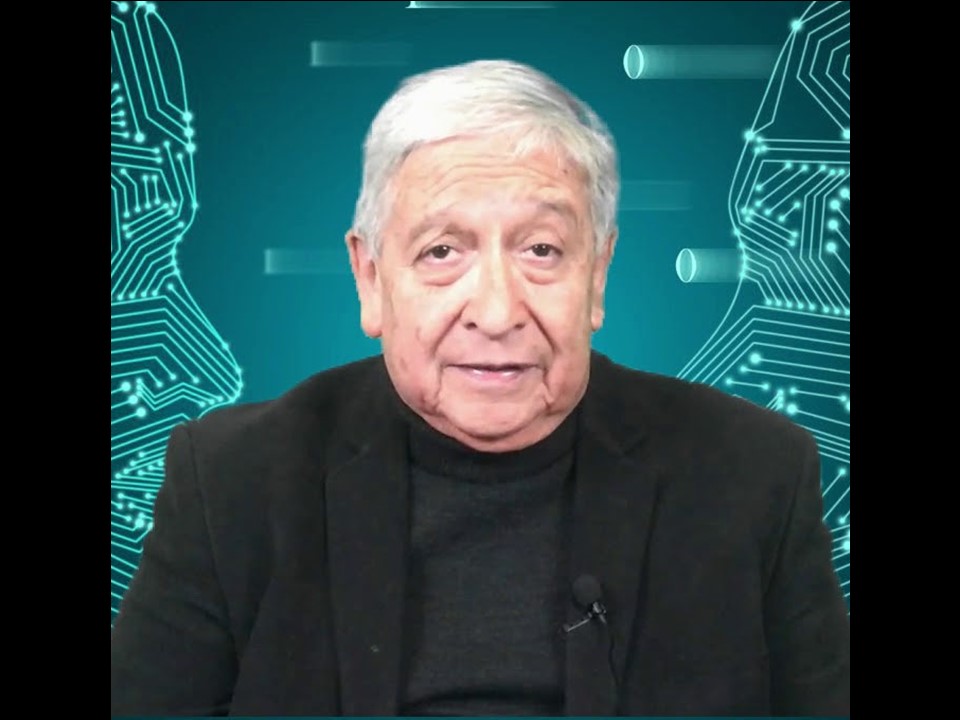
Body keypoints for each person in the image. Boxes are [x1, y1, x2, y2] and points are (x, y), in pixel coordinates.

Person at [111, 59, 850, 717]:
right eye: (441, 251)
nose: (496, 313)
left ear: (597, 275)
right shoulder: (230, 481)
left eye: (542, 250)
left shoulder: (755, 472)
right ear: (370, 278)